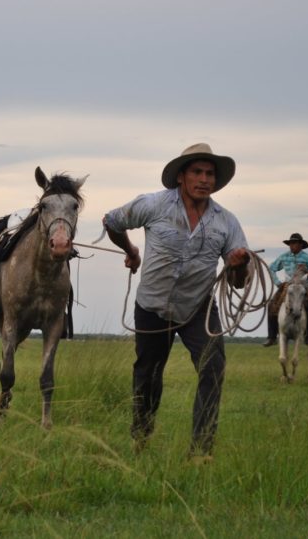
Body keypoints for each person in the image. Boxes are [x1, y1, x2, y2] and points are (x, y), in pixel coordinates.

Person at [103, 143, 250, 461]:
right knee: (149, 375)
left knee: (213, 368)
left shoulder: (227, 221)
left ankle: (201, 451)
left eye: (210, 174)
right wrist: (131, 251)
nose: (204, 179)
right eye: (197, 172)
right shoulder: (153, 204)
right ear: (181, 176)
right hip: (153, 306)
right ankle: (141, 436)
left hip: (199, 307)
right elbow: (112, 221)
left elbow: (238, 282)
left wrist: (238, 266)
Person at [264, 233, 308, 351]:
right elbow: (271, 268)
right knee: (271, 304)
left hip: (304, 286)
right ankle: (271, 337)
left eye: (295, 243)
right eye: (291, 243)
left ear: (301, 245)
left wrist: (306, 269)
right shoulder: (283, 257)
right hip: (287, 285)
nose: (292, 246)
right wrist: (277, 283)